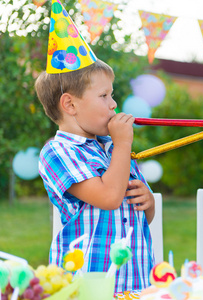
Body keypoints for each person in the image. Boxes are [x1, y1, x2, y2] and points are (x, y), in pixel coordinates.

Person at [35, 1, 154, 292]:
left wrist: (148, 203)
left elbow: (136, 213)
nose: (114, 104)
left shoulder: (112, 147)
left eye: (112, 95)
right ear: (70, 104)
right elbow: (109, 197)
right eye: (104, 95)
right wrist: (123, 143)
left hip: (136, 282)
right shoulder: (57, 153)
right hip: (88, 287)